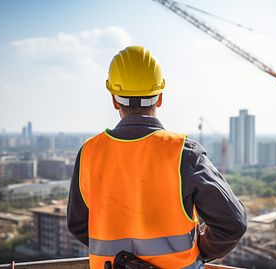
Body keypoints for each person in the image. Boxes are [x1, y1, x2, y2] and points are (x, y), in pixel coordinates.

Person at [67, 46, 247, 269]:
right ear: (160, 97)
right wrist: (199, 250)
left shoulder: (90, 153)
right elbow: (232, 224)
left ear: (114, 100)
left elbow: (78, 225)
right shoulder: (183, 153)